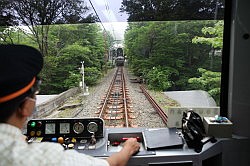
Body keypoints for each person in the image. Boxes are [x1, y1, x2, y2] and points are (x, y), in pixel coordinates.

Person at [0, 44, 140, 166]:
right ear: (26, 106)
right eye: (34, 95)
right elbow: (111, 164)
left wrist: (17, 139)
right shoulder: (45, 158)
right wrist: (128, 148)